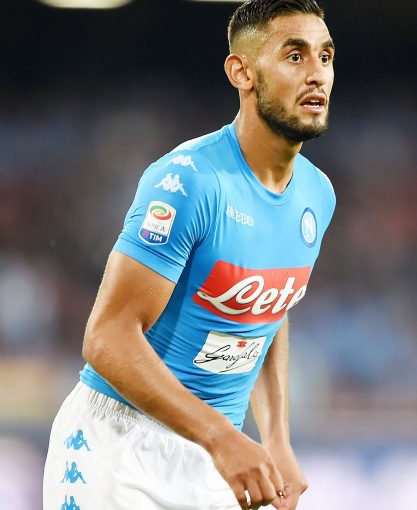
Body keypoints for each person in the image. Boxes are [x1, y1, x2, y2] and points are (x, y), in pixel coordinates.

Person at [43, 1, 336, 509]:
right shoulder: (190, 181)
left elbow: (269, 310)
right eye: (295, 56)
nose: (317, 74)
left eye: (325, 56)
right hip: (119, 447)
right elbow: (107, 337)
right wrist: (221, 437)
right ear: (241, 72)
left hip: (213, 458)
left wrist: (276, 440)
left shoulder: (318, 194)